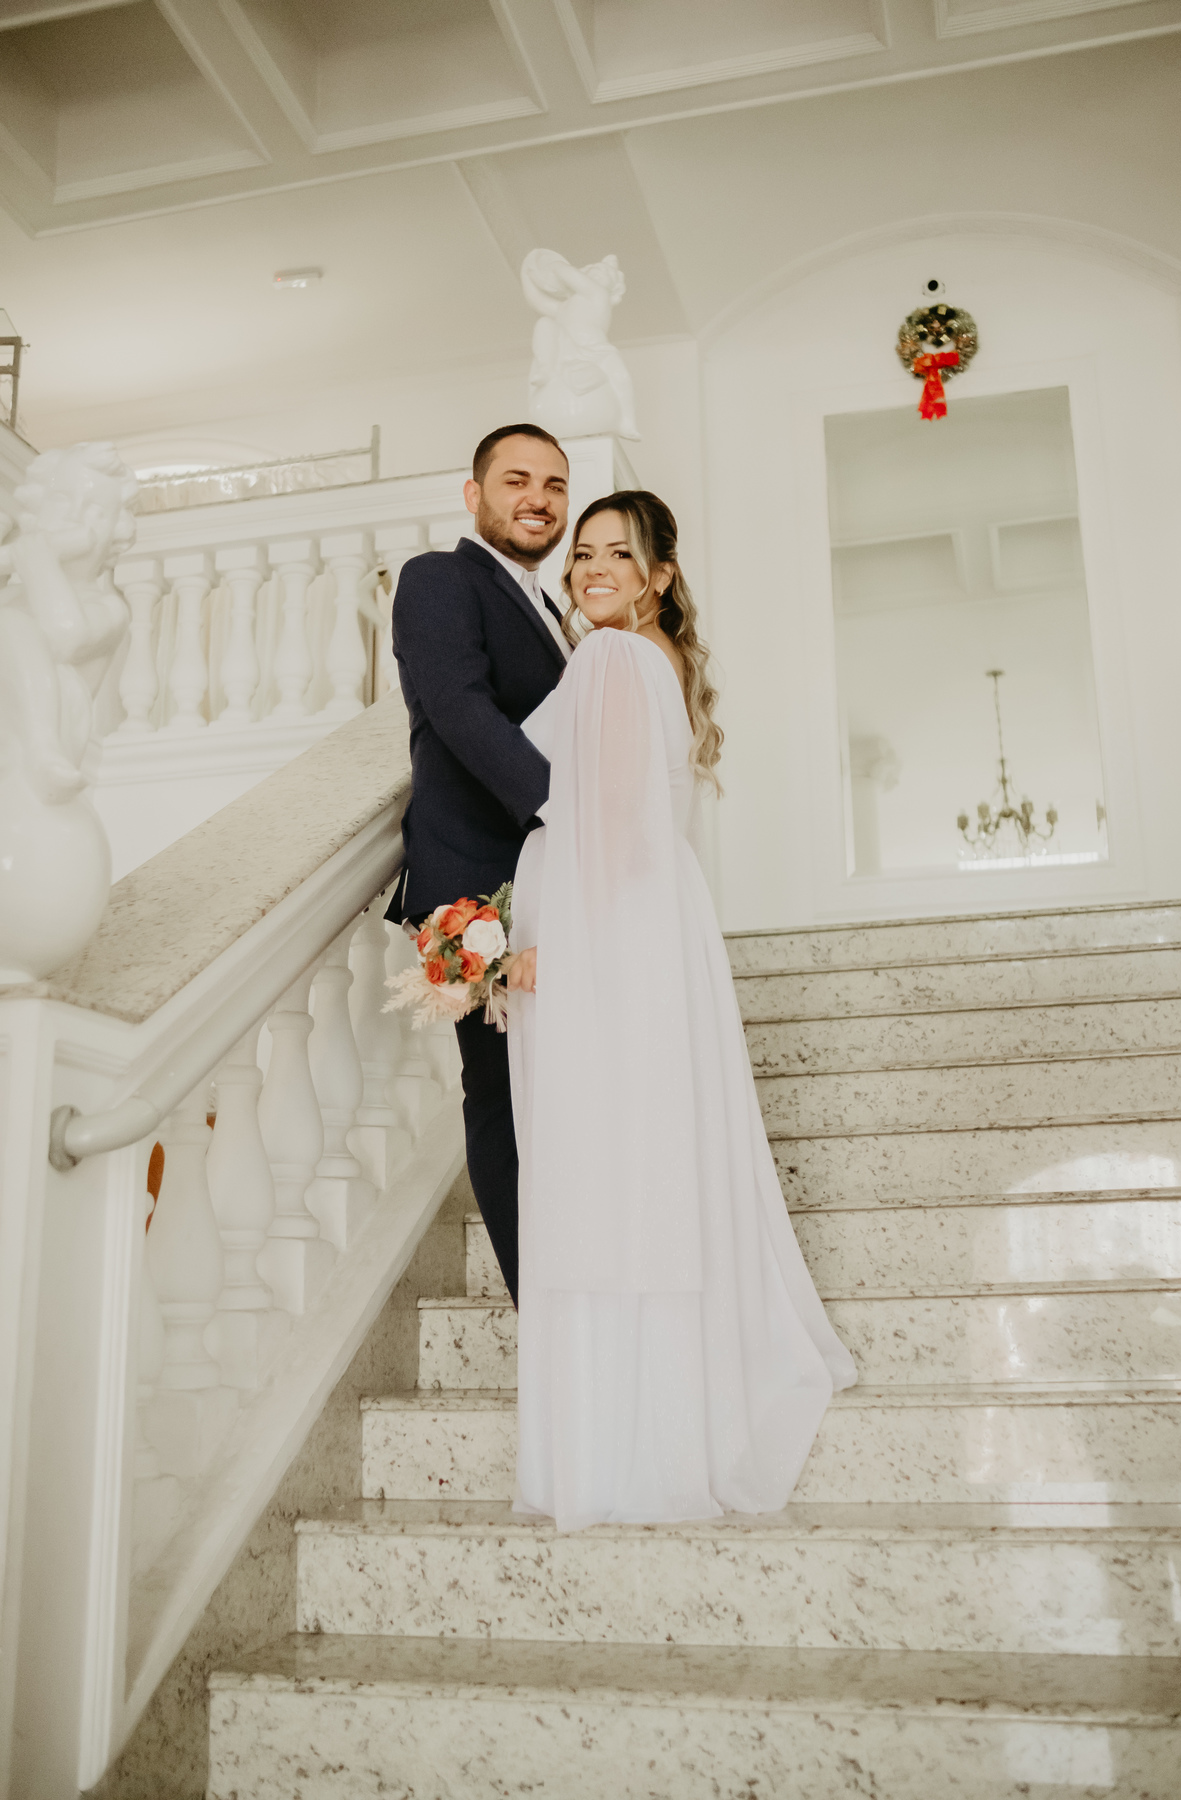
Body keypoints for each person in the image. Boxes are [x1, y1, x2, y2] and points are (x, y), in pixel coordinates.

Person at [504, 491, 856, 1531]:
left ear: (659, 575)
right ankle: (663, 1428)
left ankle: (616, 1448)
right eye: (583, 553)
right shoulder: (660, 659)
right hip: (658, 930)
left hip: (611, 937)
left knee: (607, 1170)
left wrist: (551, 944)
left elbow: (606, 824)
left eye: (618, 554)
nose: (592, 569)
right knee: (647, 1166)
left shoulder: (611, 658)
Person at [386, 424, 571, 1307]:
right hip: (478, 885)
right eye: (517, 479)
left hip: (552, 878)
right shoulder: (438, 578)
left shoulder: (556, 613)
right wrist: (568, 810)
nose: (538, 498)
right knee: (500, 1095)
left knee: (561, 1090)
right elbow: (460, 709)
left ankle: (584, 1289)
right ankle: (546, 1305)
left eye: (555, 485)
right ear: (474, 495)